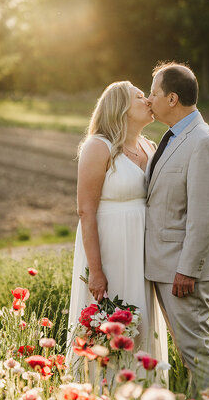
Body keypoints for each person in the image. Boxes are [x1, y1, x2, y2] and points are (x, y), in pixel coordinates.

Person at [67, 81, 168, 372]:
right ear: (121, 108)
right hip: (108, 249)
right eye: (140, 97)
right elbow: (85, 211)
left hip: (141, 252)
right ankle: (101, 393)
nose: (148, 100)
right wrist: (96, 271)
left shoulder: (148, 145)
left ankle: (143, 392)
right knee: (107, 320)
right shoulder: (98, 146)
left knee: (141, 319)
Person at [145, 61, 209, 396]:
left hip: (184, 269)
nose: (148, 100)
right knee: (189, 354)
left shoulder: (203, 141)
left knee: (198, 352)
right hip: (166, 265)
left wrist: (187, 270)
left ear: (172, 98)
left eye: (153, 93)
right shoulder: (174, 135)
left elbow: (203, 214)